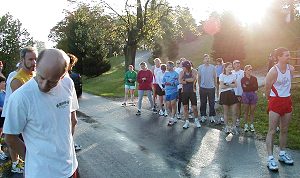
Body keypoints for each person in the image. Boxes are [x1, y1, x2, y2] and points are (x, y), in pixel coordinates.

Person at [4, 48, 79, 178]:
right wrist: (32, 157)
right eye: (41, 77)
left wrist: (64, 148)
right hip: (41, 173)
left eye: (52, 82)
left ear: (62, 76)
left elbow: (73, 120)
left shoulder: (68, 84)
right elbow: (10, 137)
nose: (44, 85)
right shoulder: (20, 97)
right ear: (37, 66)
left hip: (70, 168)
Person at [7, 47, 37, 173]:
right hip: (27, 124)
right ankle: (20, 163)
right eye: (30, 59)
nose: (34, 62)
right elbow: (20, 109)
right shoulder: (17, 81)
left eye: (35, 59)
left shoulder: (34, 75)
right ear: (22, 60)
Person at [265, 47, 294, 171]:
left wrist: (286, 95)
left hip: (287, 100)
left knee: (284, 130)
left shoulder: (291, 69)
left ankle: (282, 154)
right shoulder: (273, 71)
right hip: (275, 101)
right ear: (279, 57)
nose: (289, 57)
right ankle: (270, 158)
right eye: (286, 55)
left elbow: (288, 85)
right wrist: (270, 100)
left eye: (289, 55)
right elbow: (267, 88)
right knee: (272, 130)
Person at [179, 60, 201, 129]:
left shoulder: (194, 71)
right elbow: (180, 81)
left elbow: (194, 79)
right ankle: (187, 121)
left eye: (184, 67)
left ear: (187, 67)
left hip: (192, 91)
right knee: (185, 107)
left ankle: (196, 120)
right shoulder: (182, 72)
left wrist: (185, 80)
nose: (183, 68)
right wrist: (188, 80)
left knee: (194, 107)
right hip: (184, 92)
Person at [67, 53, 81, 151]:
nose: (72, 66)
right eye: (72, 64)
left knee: (74, 121)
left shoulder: (68, 73)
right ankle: (69, 143)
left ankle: (70, 141)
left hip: (72, 99)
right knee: (70, 121)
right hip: (68, 101)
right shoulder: (62, 74)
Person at [219, 62, 239, 134]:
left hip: (232, 94)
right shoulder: (221, 75)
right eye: (229, 67)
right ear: (225, 68)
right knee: (226, 112)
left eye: (231, 67)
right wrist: (231, 85)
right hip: (224, 95)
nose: (231, 68)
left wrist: (227, 84)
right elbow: (222, 86)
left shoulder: (233, 75)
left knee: (234, 112)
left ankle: (233, 127)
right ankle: (226, 127)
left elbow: (236, 85)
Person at [198, 54, 217, 123]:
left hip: (211, 88)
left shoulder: (213, 67)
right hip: (203, 88)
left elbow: (215, 77)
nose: (207, 60)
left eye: (208, 58)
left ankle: (212, 116)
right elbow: (199, 77)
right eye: (206, 58)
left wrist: (215, 86)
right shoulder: (200, 67)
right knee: (203, 102)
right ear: (203, 60)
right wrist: (200, 86)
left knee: (212, 103)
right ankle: (203, 116)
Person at [241, 65, 258, 132]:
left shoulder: (254, 78)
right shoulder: (243, 79)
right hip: (245, 95)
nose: (250, 71)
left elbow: (256, 88)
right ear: (245, 71)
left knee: (252, 111)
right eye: (248, 70)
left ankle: (251, 125)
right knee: (246, 111)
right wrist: (251, 86)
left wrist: (248, 86)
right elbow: (244, 88)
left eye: (251, 69)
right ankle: (245, 125)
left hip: (253, 95)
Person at [162, 61, 179, 126]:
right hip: (167, 91)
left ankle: (172, 118)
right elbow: (163, 81)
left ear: (172, 66)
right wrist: (164, 83)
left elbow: (178, 82)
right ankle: (173, 115)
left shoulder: (176, 74)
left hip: (174, 91)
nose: (167, 67)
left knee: (173, 104)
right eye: (166, 65)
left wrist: (171, 83)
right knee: (168, 105)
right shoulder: (166, 73)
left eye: (168, 65)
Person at [232, 59, 244, 127]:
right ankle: (234, 119)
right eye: (236, 64)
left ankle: (238, 120)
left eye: (239, 63)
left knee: (238, 106)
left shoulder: (242, 72)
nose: (238, 65)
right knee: (233, 106)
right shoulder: (231, 72)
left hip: (240, 92)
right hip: (232, 92)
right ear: (234, 65)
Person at [0, 75, 8, 160]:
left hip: (3, 117)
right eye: (2, 82)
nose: (4, 84)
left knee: (2, 133)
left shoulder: (4, 93)